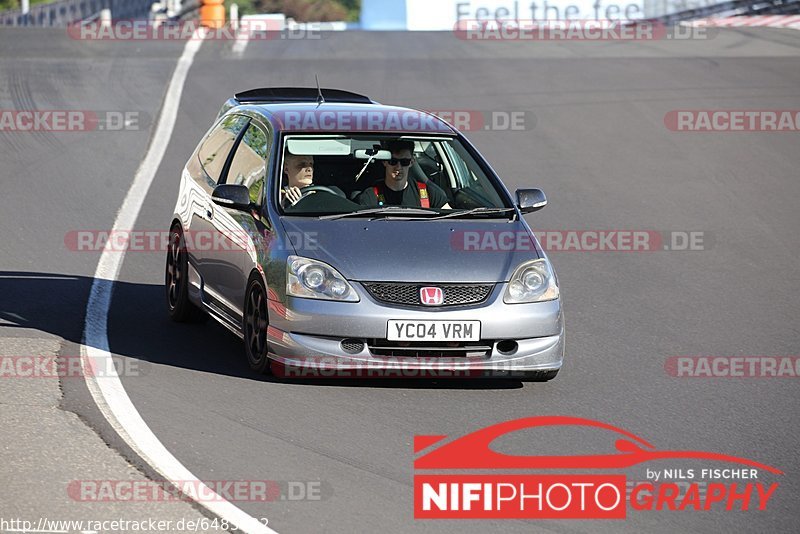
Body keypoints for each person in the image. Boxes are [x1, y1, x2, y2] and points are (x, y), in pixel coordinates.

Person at [357, 140, 451, 209]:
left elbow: (451, 221)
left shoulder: (428, 193)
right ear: (384, 162)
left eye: (404, 162)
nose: (398, 167)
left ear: (412, 162)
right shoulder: (370, 196)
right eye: (393, 161)